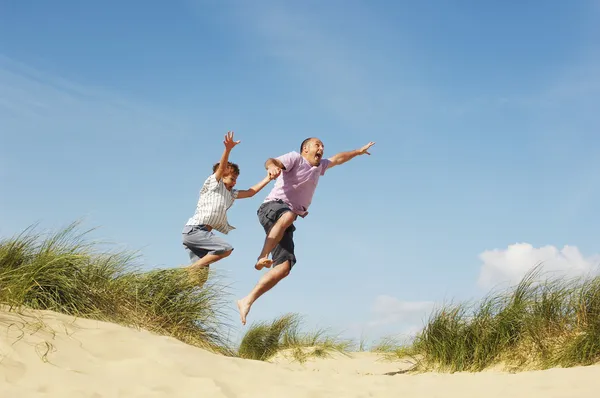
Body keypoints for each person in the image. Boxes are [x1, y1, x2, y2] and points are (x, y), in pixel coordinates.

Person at [236, 137, 375, 324]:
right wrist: (271, 167)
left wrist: (357, 152)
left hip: (285, 219)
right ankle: (262, 255)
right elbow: (272, 161)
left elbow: (339, 158)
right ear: (305, 149)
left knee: (284, 267)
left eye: (323, 146)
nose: (322, 148)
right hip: (272, 207)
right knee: (288, 216)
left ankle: (247, 300)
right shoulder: (295, 158)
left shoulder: (320, 166)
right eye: (317, 145)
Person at [182, 131, 274, 285]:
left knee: (198, 281)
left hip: (202, 236)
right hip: (195, 230)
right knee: (226, 249)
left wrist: (268, 178)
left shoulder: (231, 194)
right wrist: (228, 149)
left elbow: (251, 192)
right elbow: (221, 168)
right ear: (222, 176)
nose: (235, 182)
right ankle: (188, 269)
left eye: (236, 180)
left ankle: (172, 290)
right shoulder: (213, 184)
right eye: (232, 178)